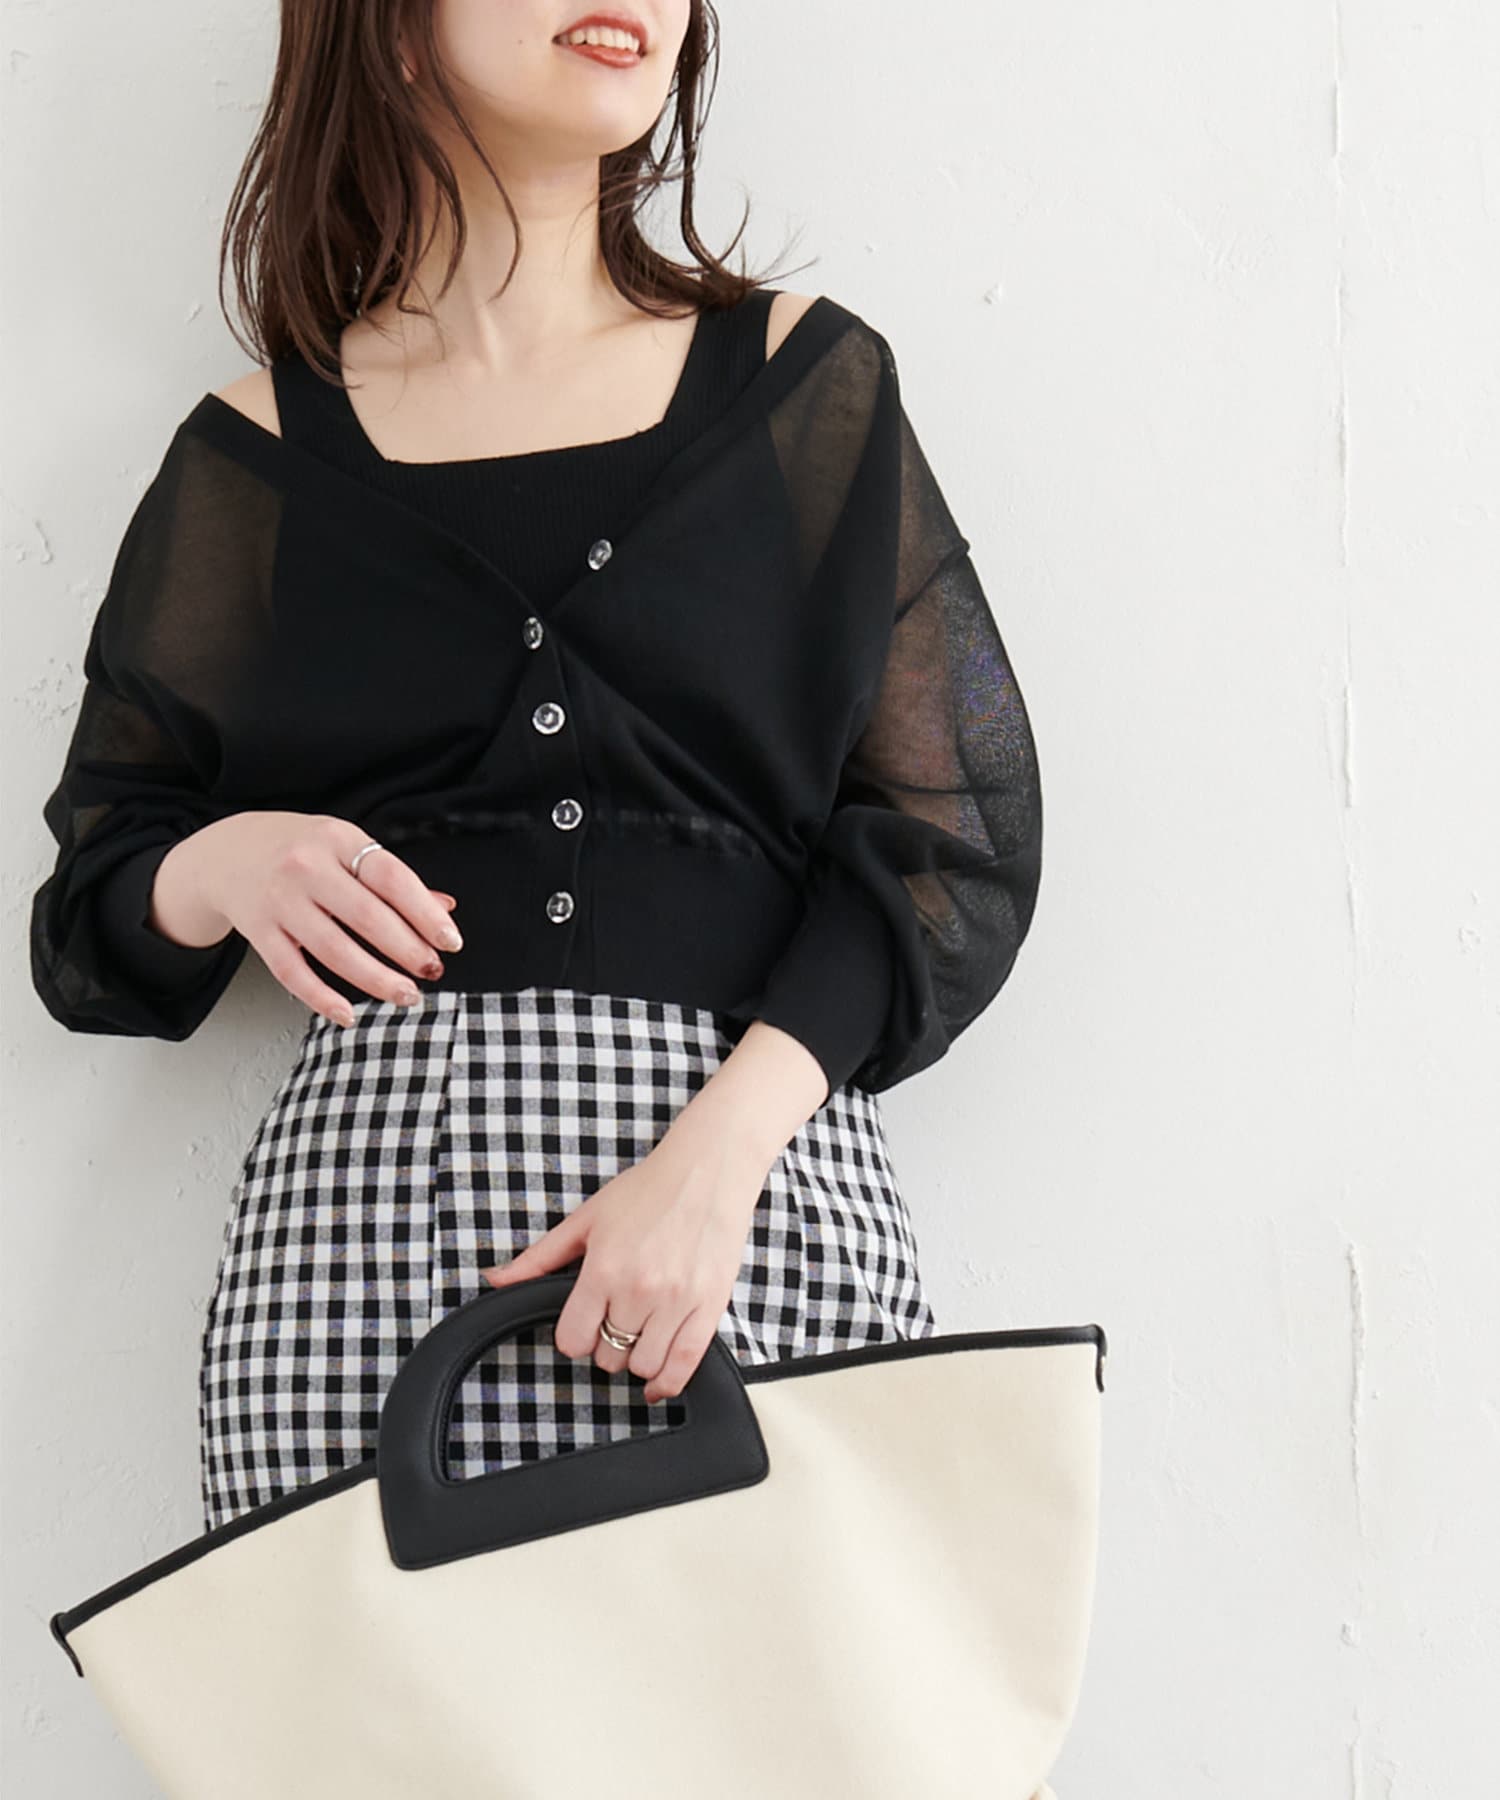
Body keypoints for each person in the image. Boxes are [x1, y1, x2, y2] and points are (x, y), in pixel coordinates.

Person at [29, 0, 1044, 1536]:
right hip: (355, 1272)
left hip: (747, 1225)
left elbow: (954, 835)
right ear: (393, 27)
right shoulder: (254, 459)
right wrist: (224, 865)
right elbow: (91, 918)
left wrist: (716, 1164)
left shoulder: (805, 390)